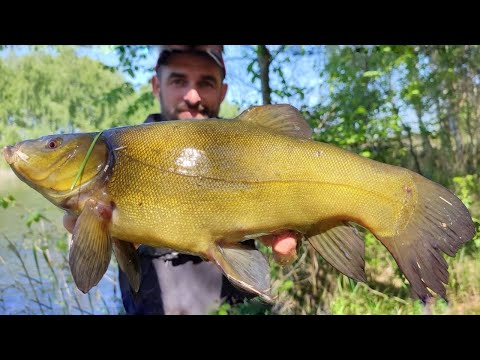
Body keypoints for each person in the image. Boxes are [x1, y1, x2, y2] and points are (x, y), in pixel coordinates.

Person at [63, 45, 299, 315]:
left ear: (223, 91)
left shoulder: (257, 153)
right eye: (178, 80)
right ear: (156, 85)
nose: (192, 95)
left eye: (206, 82)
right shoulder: (117, 154)